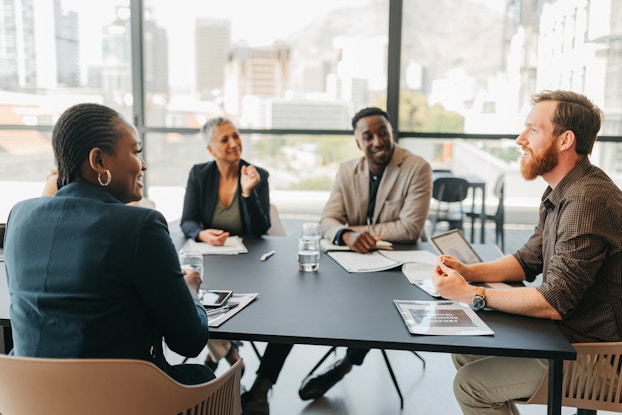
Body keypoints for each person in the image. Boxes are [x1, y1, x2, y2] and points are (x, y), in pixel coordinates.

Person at [432, 90, 622, 415]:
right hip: (570, 337)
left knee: (470, 385)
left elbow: (554, 301)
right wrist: (468, 272)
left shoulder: (584, 201)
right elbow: (527, 260)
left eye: (533, 130)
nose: (521, 139)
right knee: (466, 352)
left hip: (601, 358)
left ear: (565, 140)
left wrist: (472, 294)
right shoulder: (564, 189)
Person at [4, 103, 215, 385]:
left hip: (31, 397)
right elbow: (189, 341)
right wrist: (190, 290)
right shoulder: (142, 226)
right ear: (98, 161)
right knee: (207, 376)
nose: (143, 164)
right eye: (135, 152)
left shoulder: (19, 215)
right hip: (121, 399)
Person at [241, 106, 432, 415]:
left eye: (383, 132)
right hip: (350, 263)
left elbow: (409, 228)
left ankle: (344, 365)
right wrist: (343, 235)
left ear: (391, 131)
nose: (378, 141)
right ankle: (261, 390)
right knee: (294, 305)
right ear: (358, 142)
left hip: (398, 268)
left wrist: (350, 231)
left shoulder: (417, 167)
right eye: (367, 136)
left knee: (373, 311)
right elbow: (326, 221)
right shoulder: (347, 170)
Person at [181, 116, 271, 373]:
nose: (234, 143)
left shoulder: (258, 175)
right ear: (211, 149)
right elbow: (187, 221)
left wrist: (247, 193)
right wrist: (202, 234)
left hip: (249, 263)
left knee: (216, 308)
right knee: (197, 301)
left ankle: (220, 355)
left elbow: (259, 229)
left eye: (236, 136)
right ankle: (230, 352)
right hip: (211, 260)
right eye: (224, 139)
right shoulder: (199, 174)